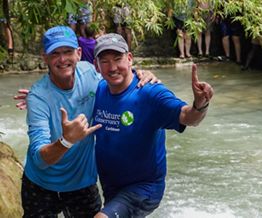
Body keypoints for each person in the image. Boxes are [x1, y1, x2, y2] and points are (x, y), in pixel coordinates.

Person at [19, 25, 159, 217]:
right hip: (40, 185)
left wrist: (140, 74)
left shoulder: (91, 74)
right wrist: (67, 140)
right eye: (55, 53)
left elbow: (117, 74)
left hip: (81, 183)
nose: (62, 59)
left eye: (67, 52)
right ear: (45, 58)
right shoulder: (38, 97)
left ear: (78, 53)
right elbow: (39, 160)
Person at [92, 33, 214, 217]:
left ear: (130, 59)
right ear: (96, 66)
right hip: (112, 186)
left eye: (118, 59)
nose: (113, 67)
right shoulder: (98, 89)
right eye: (105, 61)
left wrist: (200, 104)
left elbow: (188, 117)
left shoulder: (150, 92)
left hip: (144, 189)